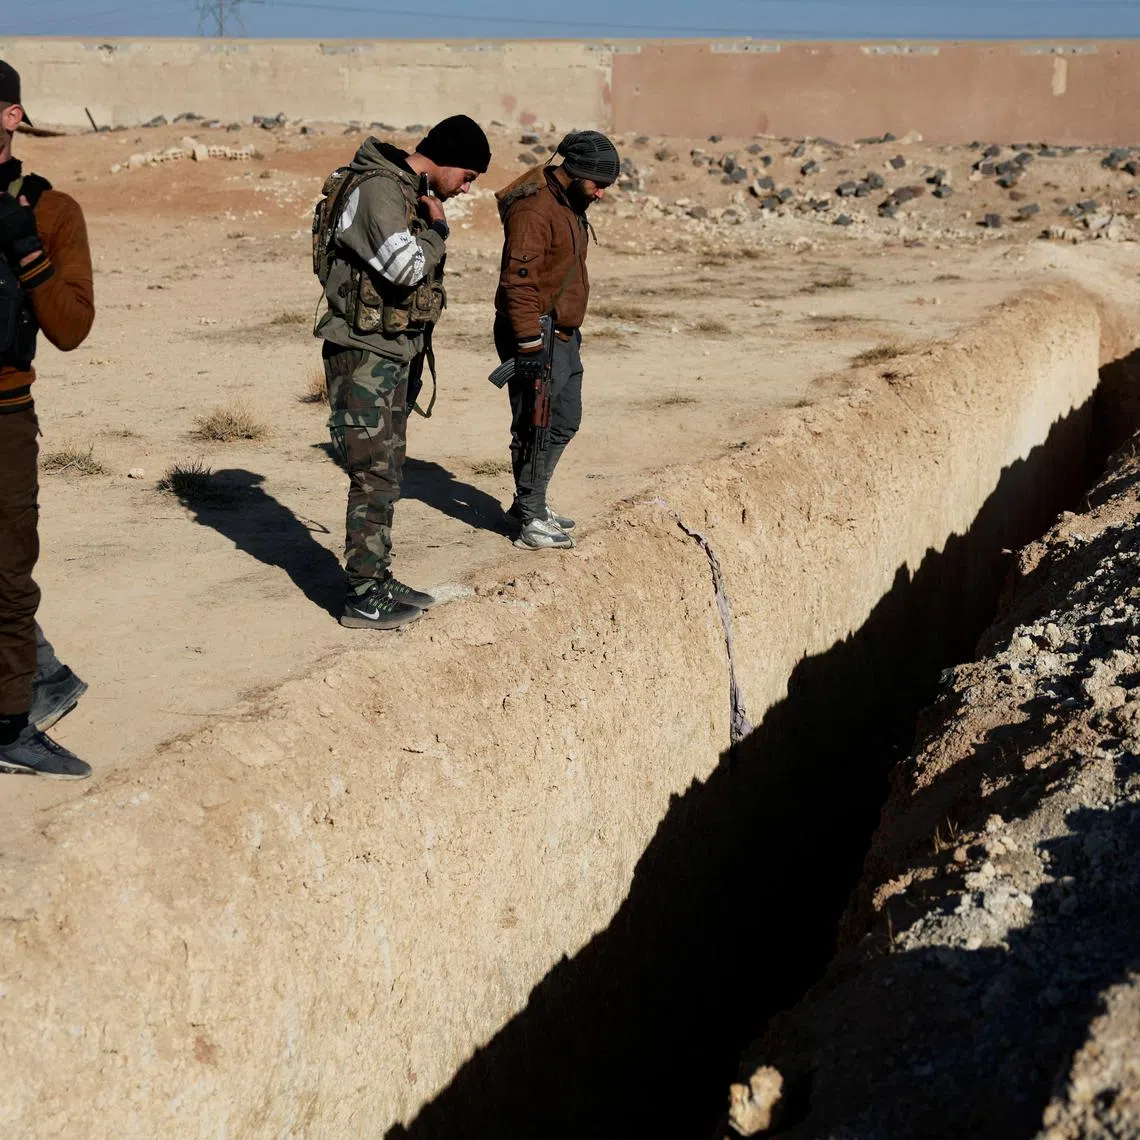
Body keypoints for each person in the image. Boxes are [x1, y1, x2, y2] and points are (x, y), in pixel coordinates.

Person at [314, 114, 490, 630]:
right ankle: (363, 595)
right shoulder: (380, 191)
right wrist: (437, 232)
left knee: (386, 471)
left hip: (388, 351)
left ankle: (376, 577)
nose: (465, 188)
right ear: (448, 158)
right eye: (468, 176)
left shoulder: (401, 188)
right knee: (372, 472)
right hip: (364, 353)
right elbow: (405, 268)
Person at [0, 61, 95, 778]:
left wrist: (24, 248)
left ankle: (11, 726)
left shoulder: (50, 210)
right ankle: (44, 675)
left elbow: (69, 328)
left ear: (11, 116)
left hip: (5, 413)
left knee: (8, 573)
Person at [494, 129, 619, 550]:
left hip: (563, 333)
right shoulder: (534, 209)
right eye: (598, 184)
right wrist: (528, 344)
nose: (601, 194)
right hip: (537, 334)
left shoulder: (568, 202)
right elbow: (519, 281)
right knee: (536, 425)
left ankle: (533, 500)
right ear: (576, 172)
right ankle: (529, 520)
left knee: (564, 420)